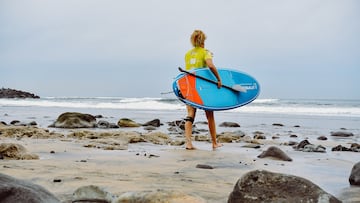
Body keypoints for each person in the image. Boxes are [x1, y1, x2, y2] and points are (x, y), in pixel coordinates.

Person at [183, 30, 223, 150]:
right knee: (210, 115)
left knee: (190, 114)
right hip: (202, 88)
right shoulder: (205, 52)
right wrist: (218, 79)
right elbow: (210, 65)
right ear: (202, 41)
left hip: (189, 85)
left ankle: (188, 143)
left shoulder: (187, 54)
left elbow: (192, 69)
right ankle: (214, 143)